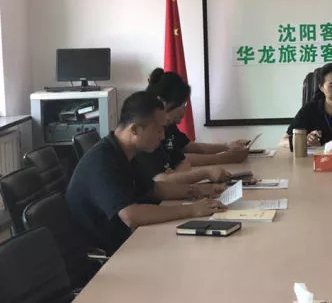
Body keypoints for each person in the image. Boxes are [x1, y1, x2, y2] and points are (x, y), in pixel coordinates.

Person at [66, 91, 227, 254]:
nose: (163, 136)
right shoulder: (102, 161)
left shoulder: (125, 152)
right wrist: (192, 210)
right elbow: (131, 215)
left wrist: (197, 191)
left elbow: (155, 189)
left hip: (130, 240)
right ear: (135, 129)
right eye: (158, 130)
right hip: (111, 255)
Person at [144, 68, 249, 172]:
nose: (184, 111)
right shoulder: (149, 128)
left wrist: (227, 146)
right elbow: (177, 160)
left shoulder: (168, 124)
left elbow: (186, 148)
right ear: (164, 102)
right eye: (182, 105)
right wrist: (226, 158)